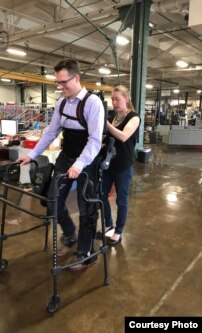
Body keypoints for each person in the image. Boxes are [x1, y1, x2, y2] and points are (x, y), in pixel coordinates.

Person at [18, 59, 105, 271]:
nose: (60, 86)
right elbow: (51, 132)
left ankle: (85, 252)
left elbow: (95, 141)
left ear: (76, 78)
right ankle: (69, 232)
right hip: (66, 157)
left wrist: (80, 164)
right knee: (52, 201)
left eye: (64, 82)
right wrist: (32, 154)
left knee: (87, 208)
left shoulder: (93, 103)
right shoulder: (62, 103)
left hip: (87, 161)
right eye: (58, 83)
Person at [100, 85, 140, 245]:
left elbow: (123, 136)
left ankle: (118, 231)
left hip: (123, 166)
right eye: (112, 99)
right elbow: (105, 136)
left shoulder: (134, 117)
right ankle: (108, 224)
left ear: (127, 99)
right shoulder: (112, 117)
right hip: (108, 164)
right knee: (101, 196)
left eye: (117, 99)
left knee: (121, 200)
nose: (114, 102)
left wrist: (105, 123)